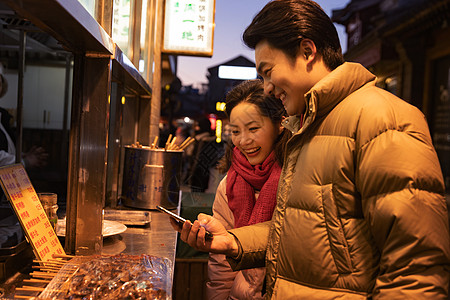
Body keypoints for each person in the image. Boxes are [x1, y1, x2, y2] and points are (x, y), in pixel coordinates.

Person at [170, 0, 450, 299]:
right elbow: (302, 231)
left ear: (307, 51)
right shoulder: (305, 129)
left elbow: (417, 271)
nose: (265, 88)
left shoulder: (382, 118)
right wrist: (233, 242)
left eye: (267, 72)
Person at [207, 80, 291, 299]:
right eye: (236, 131)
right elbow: (220, 267)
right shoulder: (229, 184)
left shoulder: (297, 178)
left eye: (253, 128)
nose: (243, 141)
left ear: (280, 124)